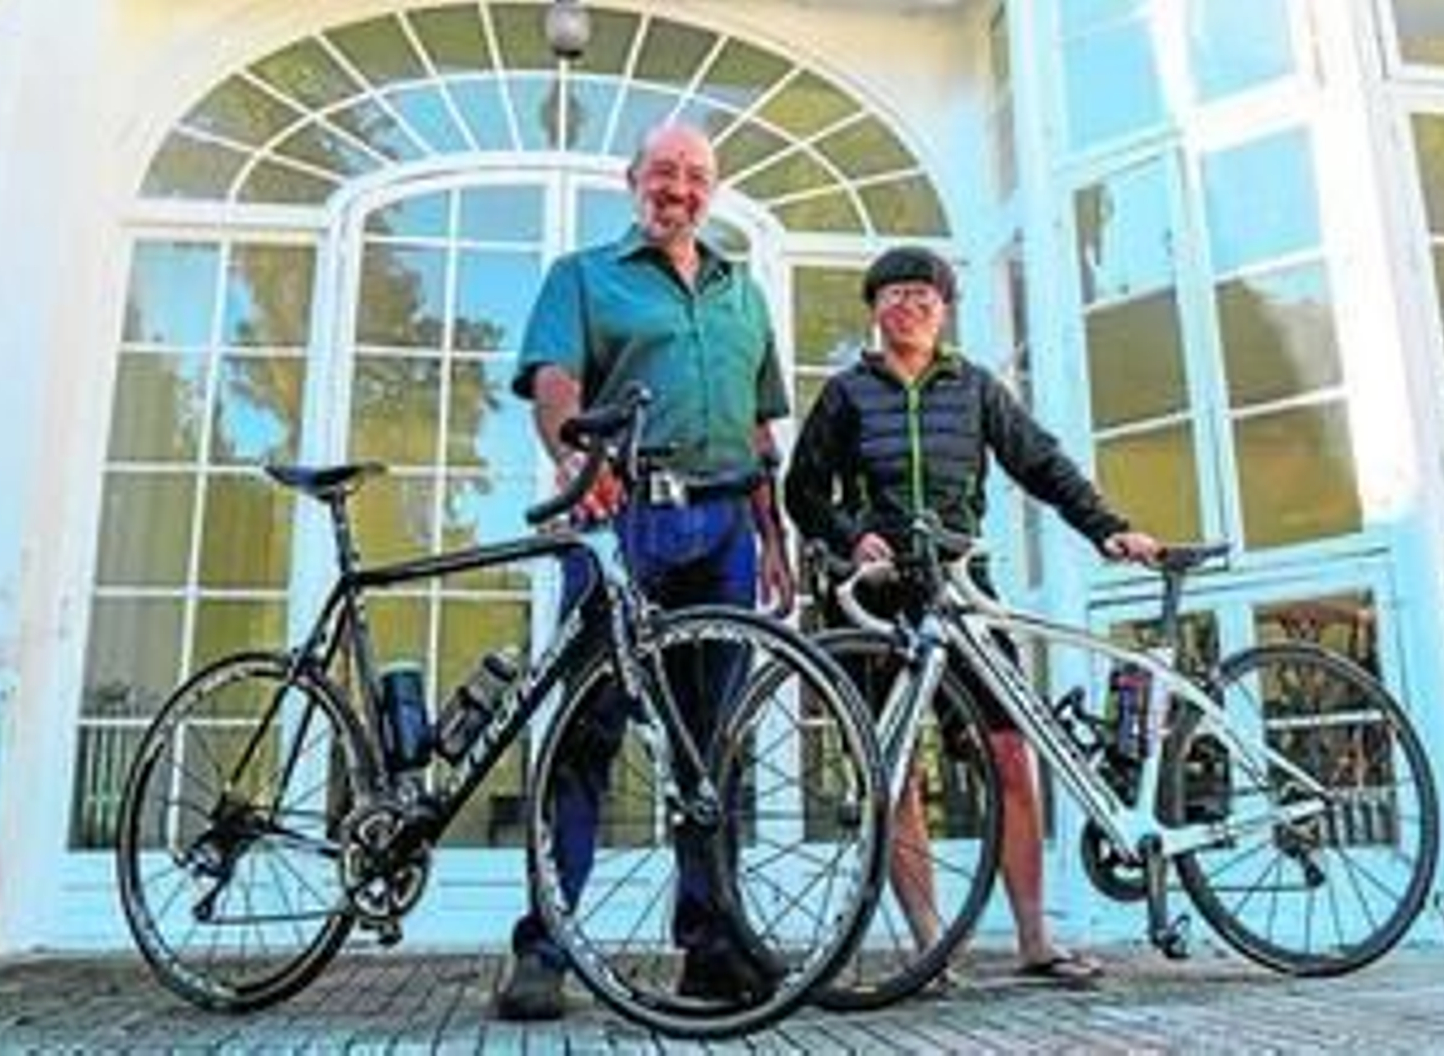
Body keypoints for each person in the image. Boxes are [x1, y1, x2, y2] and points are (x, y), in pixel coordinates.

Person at [784, 245, 1161, 985]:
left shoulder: (975, 389)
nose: (910, 306)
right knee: (892, 773)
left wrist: (1106, 526)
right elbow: (803, 493)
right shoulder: (846, 395)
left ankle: (1034, 939)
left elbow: (1042, 464)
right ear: (875, 309)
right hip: (877, 600)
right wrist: (848, 534)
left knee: (1010, 757)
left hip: (962, 594)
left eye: (924, 295)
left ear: (944, 309)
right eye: (894, 295)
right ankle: (931, 944)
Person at [493, 121, 795, 1021]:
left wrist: (772, 535)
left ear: (715, 189)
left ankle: (712, 945)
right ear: (633, 182)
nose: (680, 188)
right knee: (588, 733)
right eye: (664, 171)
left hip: (724, 530)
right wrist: (579, 465)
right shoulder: (583, 277)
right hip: (622, 520)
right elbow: (555, 385)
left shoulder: (744, 292)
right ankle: (545, 946)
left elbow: (757, 425)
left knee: (716, 744)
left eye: (697, 175)